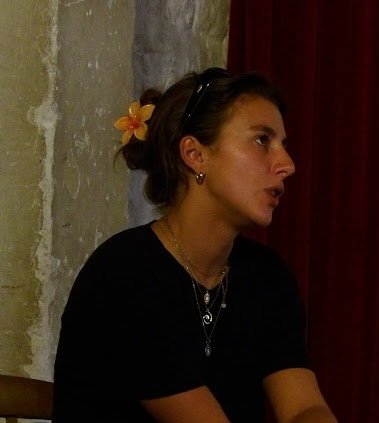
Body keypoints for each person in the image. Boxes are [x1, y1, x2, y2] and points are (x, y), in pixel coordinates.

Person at [52, 67, 338, 423]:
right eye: (262, 140)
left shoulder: (267, 277)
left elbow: (304, 408)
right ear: (195, 154)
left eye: (283, 145)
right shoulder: (123, 275)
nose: (288, 165)